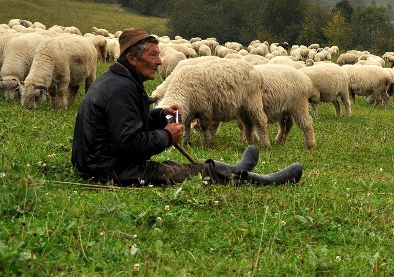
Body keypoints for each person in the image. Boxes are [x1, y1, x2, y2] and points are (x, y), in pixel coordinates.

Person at [71, 28, 302, 186]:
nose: (160, 62)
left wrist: (160, 116)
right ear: (132, 58)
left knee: (183, 167)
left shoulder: (116, 82)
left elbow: (126, 124)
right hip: (112, 172)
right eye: (153, 56)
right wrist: (165, 136)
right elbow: (129, 144)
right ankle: (264, 180)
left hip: (102, 164)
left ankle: (236, 168)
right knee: (194, 173)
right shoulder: (122, 90)